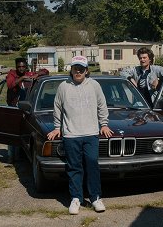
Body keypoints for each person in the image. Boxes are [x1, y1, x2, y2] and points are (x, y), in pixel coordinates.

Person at [46, 56, 113, 215]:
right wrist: (57, 127)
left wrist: (103, 124)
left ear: (86, 71)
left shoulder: (94, 85)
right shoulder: (63, 86)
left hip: (91, 134)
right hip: (71, 135)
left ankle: (95, 198)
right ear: (71, 70)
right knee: (74, 167)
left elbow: (102, 105)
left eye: (81, 69)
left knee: (92, 165)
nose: (78, 71)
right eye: (75, 68)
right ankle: (76, 198)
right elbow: (57, 108)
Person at [5, 57, 38, 163]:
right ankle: (10, 157)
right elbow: (10, 85)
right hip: (13, 107)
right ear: (16, 67)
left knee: (22, 131)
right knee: (12, 132)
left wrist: (37, 74)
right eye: (19, 66)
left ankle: (19, 156)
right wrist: (22, 78)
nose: (21, 68)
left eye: (23, 66)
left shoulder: (28, 74)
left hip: (24, 107)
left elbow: (45, 71)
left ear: (26, 67)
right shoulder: (11, 74)